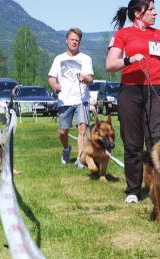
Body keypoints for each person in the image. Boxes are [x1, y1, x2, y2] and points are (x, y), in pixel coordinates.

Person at [106, 0, 160, 203]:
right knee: (133, 142)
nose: (155, 13)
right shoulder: (122, 35)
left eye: (154, 9)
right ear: (137, 13)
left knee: (157, 138)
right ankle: (133, 190)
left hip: (156, 90)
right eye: (150, 9)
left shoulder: (159, 35)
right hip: (131, 92)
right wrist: (129, 60)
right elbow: (110, 64)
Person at [48, 28, 94, 168]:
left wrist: (84, 78)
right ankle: (66, 149)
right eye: (72, 39)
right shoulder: (59, 59)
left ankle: (80, 159)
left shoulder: (86, 59)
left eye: (77, 40)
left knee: (82, 129)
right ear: (66, 41)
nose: (74, 42)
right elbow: (51, 78)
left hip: (81, 99)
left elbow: (91, 79)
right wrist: (54, 85)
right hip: (64, 99)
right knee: (63, 132)